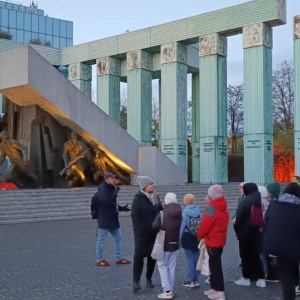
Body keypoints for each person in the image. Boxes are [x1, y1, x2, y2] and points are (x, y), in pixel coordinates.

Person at [264, 183, 300, 300]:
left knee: (286, 280)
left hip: (278, 247)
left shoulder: (273, 205)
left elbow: (266, 222)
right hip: (295, 247)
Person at [91, 172, 131, 266]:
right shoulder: (103, 190)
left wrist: (121, 208)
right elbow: (107, 202)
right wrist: (116, 192)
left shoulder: (110, 189)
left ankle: (119, 258)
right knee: (101, 239)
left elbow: (112, 204)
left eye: (114, 178)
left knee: (118, 237)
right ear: (107, 179)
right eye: (112, 178)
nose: (114, 180)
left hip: (113, 219)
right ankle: (99, 260)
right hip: (105, 219)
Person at [131, 176, 163, 292]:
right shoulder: (138, 199)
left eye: (152, 183)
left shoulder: (155, 197)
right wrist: (143, 230)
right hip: (142, 234)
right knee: (138, 257)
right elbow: (135, 218)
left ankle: (148, 278)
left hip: (154, 233)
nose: (152, 185)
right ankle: (136, 281)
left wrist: (159, 226)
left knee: (152, 257)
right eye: (150, 184)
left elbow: (161, 211)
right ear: (144, 186)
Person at [198, 185, 229, 300]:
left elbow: (205, 226)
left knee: (215, 267)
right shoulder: (223, 206)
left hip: (212, 241)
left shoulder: (211, 209)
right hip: (220, 240)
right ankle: (214, 288)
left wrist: (199, 235)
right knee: (215, 265)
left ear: (210, 196)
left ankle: (219, 292)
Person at [234, 183, 266, 288]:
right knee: (256, 255)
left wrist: (236, 229)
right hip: (257, 232)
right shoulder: (258, 201)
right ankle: (261, 279)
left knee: (245, 256)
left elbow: (238, 220)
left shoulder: (244, 203)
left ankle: (246, 278)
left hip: (244, 233)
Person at [152, 193, 182, 300]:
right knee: (171, 266)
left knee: (162, 266)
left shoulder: (162, 213)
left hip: (163, 243)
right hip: (175, 242)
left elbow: (154, 227)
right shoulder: (180, 212)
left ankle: (167, 290)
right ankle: (171, 289)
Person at [179, 194, 202, 288]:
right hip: (197, 236)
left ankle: (191, 279)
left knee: (190, 259)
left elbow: (181, 227)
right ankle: (196, 279)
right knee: (197, 258)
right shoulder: (198, 212)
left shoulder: (184, 213)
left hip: (187, 236)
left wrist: (179, 240)